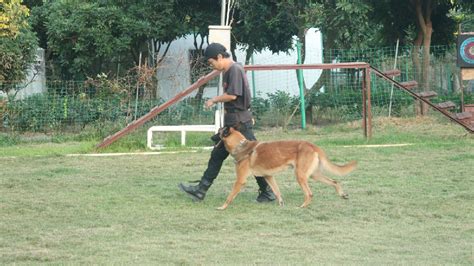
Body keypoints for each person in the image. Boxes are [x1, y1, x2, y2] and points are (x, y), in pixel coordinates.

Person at [179, 42, 276, 203]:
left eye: (211, 62)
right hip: (232, 124)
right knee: (216, 155)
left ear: (219, 57)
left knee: (254, 157)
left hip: (240, 124)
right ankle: (200, 190)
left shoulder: (234, 70)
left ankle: (268, 192)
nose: (212, 66)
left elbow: (233, 95)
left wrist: (214, 100)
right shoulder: (227, 71)